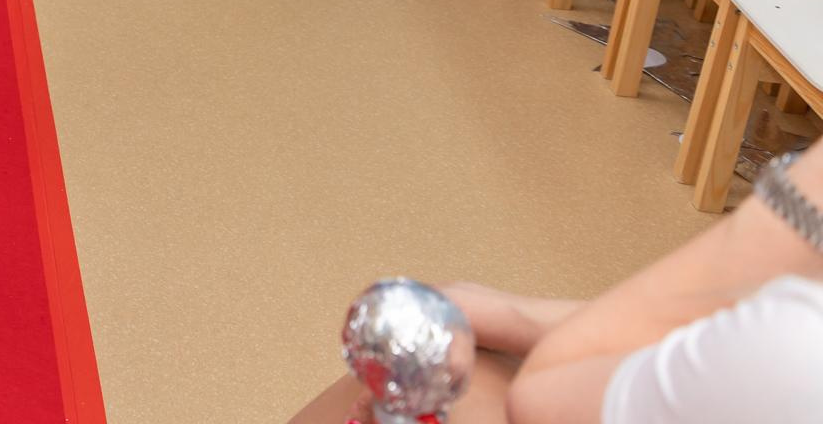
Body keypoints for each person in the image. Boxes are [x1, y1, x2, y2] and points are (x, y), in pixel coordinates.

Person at [288, 147, 823, 422]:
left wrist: (787, 209)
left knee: (464, 386)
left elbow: (544, 400)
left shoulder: (796, 353)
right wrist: (513, 316)